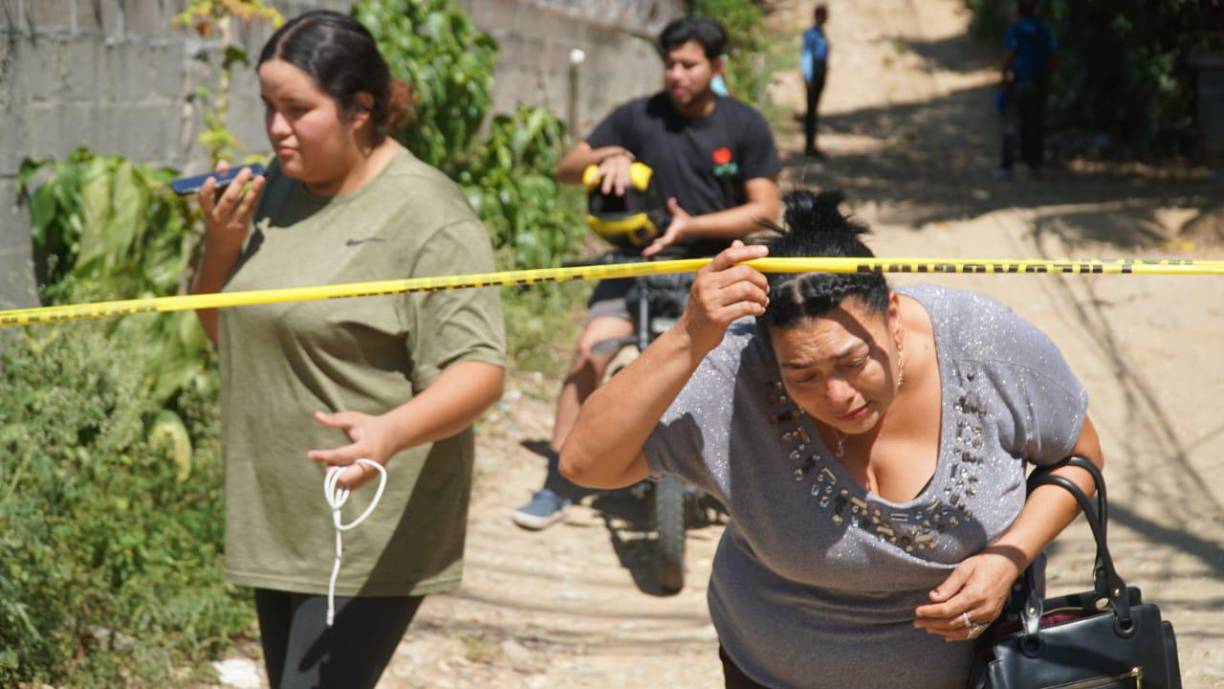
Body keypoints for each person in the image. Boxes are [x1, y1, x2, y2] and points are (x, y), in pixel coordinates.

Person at [560, 189, 1105, 689]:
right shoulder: (737, 369)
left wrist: (1009, 558)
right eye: (804, 375)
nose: (839, 394)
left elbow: (1080, 456)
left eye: (853, 361)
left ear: (892, 315)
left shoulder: (983, 344)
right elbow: (586, 463)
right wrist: (687, 335)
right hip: (767, 672)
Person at [189, 11, 505, 688]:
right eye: (269, 108)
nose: (276, 129)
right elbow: (228, 334)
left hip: (367, 521)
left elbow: (479, 370)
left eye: (298, 110)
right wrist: (220, 246)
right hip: (277, 511)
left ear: (361, 109)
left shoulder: (428, 214)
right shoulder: (270, 192)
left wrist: (389, 433)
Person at [510, 16, 782, 530]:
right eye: (670, 64)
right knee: (591, 349)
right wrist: (611, 155)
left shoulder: (745, 125)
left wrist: (691, 226)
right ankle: (559, 480)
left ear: (716, 66)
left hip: (718, 266)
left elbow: (765, 206)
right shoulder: (637, 117)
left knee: (760, 364)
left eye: (689, 64)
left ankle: (759, 482)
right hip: (638, 265)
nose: (676, 74)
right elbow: (566, 167)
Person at [995, 0, 1056, 180]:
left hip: (1019, 81)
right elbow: (1053, 57)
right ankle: (1034, 167)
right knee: (1035, 124)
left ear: (1019, 11)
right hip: (1039, 82)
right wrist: (1048, 76)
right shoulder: (1042, 30)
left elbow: (1009, 55)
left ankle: (1007, 167)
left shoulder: (1014, 30)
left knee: (1012, 123)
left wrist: (1004, 77)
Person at [802, 5, 830, 158]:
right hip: (814, 74)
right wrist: (808, 76)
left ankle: (812, 144)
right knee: (811, 111)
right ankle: (809, 146)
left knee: (814, 110)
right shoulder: (811, 34)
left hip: (821, 72)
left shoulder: (821, 34)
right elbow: (806, 55)